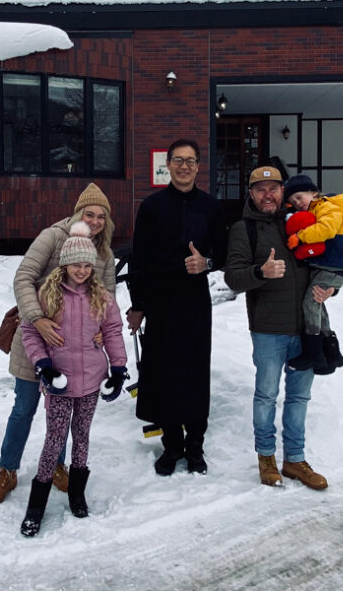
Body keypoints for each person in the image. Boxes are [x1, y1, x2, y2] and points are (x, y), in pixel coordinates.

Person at [0, 183, 118, 508]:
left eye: (102, 216)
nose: (95, 221)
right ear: (78, 213)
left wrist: (101, 330)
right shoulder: (54, 237)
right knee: (24, 408)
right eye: (90, 213)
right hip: (36, 345)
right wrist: (37, 317)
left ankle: (57, 466)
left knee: (62, 412)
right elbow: (24, 277)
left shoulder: (104, 254)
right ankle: (7, 470)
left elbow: (108, 299)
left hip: (74, 353)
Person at [19, 223, 129, 537]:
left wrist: (118, 369)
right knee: (54, 440)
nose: (82, 270)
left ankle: (77, 493)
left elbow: (112, 332)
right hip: (60, 381)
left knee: (81, 438)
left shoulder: (102, 296)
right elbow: (29, 330)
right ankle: (35, 506)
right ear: (65, 264)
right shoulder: (49, 293)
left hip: (92, 380)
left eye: (87, 264)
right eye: (76, 264)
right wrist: (43, 366)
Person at [224, 166, 330, 490]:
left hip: (308, 327)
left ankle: (295, 460)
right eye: (261, 189)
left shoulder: (300, 220)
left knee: (299, 397)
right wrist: (261, 271)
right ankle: (267, 457)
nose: (268, 195)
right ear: (251, 194)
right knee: (266, 395)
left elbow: (329, 258)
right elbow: (233, 277)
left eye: (274, 188)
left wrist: (331, 287)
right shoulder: (245, 229)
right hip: (269, 330)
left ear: (283, 191)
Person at [127, 138, 228, 475]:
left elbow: (226, 253)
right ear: (167, 165)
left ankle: (195, 447)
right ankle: (171, 446)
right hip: (160, 301)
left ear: (199, 167)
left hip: (195, 302)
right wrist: (138, 304)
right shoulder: (152, 207)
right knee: (165, 373)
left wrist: (207, 262)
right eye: (178, 160)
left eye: (191, 161)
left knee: (195, 373)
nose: (185, 166)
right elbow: (138, 258)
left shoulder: (211, 208)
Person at [282, 173, 343, 373]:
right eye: (292, 201)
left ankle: (313, 352)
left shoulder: (328, 207)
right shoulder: (316, 209)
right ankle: (331, 354)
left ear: (313, 193)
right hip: (328, 266)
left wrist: (301, 237)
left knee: (310, 302)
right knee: (318, 306)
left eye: (299, 197)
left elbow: (327, 230)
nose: (297, 203)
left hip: (335, 266)